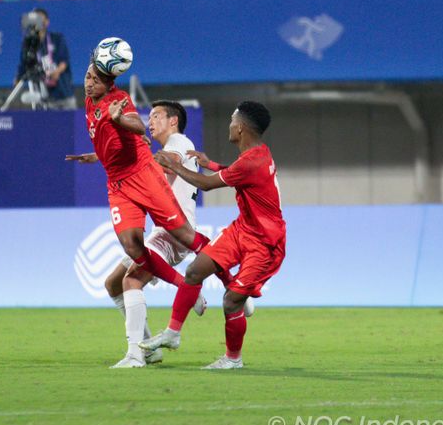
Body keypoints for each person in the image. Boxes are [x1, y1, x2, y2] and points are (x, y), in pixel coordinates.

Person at [66, 62, 230, 313]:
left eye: (156, 116)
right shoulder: (158, 148)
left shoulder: (179, 141)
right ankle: (146, 343)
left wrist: (132, 149)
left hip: (173, 231)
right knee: (112, 284)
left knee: (130, 280)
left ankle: (141, 348)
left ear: (173, 121)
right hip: (160, 228)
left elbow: (166, 163)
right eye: (150, 116)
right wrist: (103, 155)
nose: (150, 121)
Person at [140, 101, 286, 370]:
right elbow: (235, 171)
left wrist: (175, 167)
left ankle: (233, 359)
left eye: (232, 120)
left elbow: (207, 185)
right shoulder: (257, 154)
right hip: (243, 229)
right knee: (195, 271)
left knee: (230, 301)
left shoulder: (251, 162)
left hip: (265, 243)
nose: (229, 124)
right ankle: (172, 333)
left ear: (240, 128)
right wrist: (211, 163)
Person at [14, 8, 76, 110]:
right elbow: (24, 63)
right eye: (35, 19)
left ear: (47, 22)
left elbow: (64, 61)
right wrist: (18, 78)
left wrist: (56, 72)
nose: (38, 22)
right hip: (42, 95)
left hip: (63, 93)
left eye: (41, 19)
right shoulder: (29, 43)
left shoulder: (57, 38)